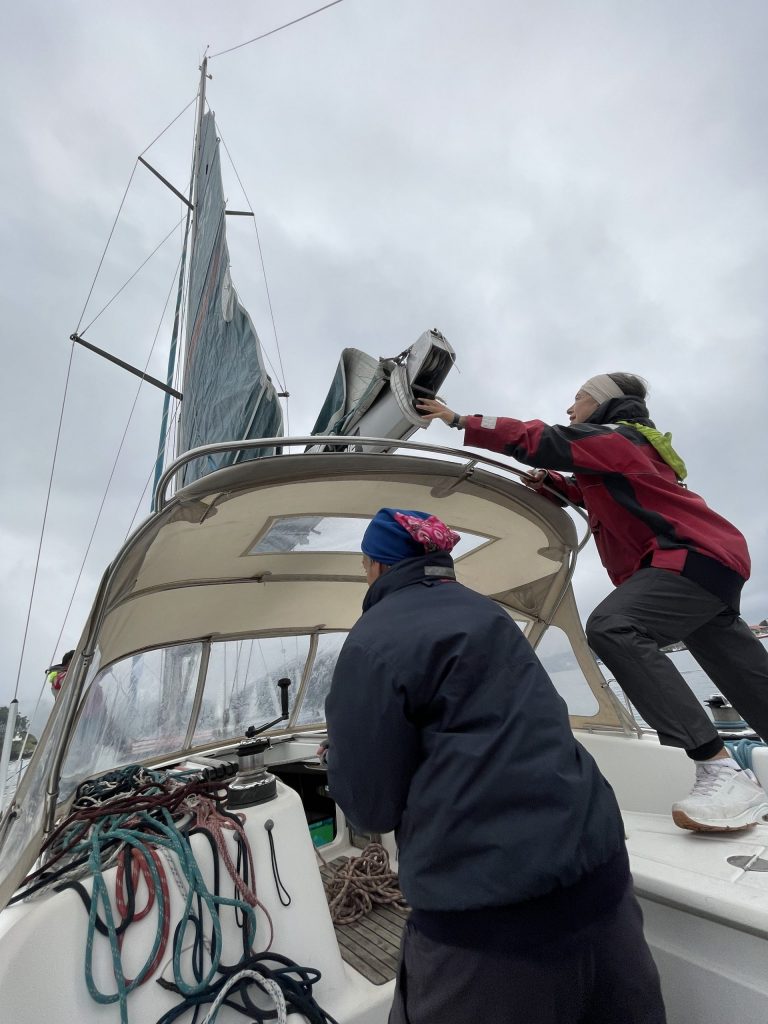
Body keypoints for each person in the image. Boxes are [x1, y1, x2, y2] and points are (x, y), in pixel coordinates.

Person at [325, 508, 666, 1024]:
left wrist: (339, 758)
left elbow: (370, 808)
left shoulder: (372, 640)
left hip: (488, 923)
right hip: (601, 880)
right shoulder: (487, 612)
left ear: (377, 565)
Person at [417, 374, 768, 833]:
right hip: (712, 564)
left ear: (603, 404)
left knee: (613, 626)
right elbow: (597, 491)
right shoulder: (627, 449)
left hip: (689, 557)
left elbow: (545, 440)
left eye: (579, 399)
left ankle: (719, 768)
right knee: (743, 671)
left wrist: (460, 420)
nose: (571, 408)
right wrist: (555, 485)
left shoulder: (615, 437)